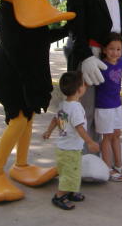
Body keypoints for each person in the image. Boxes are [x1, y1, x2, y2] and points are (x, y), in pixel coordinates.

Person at [42, 71, 99, 210]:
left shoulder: (63, 104)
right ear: (79, 89)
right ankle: (59, 196)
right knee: (69, 173)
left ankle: (72, 191)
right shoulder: (76, 108)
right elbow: (79, 128)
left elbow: (56, 119)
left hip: (63, 147)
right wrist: (90, 142)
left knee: (72, 171)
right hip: (70, 149)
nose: (85, 87)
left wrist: (49, 131)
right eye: (84, 84)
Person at [94, 32, 122, 181]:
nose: (115, 52)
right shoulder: (101, 66)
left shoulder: (120, 63)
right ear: (104, 50)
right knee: (106, 137)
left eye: (118, 49)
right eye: (111, 49)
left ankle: (118, 164)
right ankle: (107, 168)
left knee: (117, 135)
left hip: (117, 105)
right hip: (104, 106)